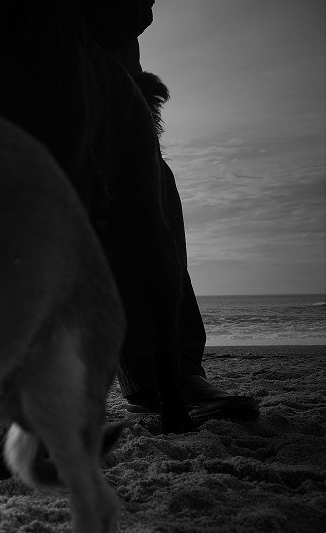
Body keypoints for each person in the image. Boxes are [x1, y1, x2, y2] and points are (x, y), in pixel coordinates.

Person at [77, 0, 260, 422]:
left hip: (114, 94)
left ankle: (171, 373)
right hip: (36, 85)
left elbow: (130, 14)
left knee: (154, 215)